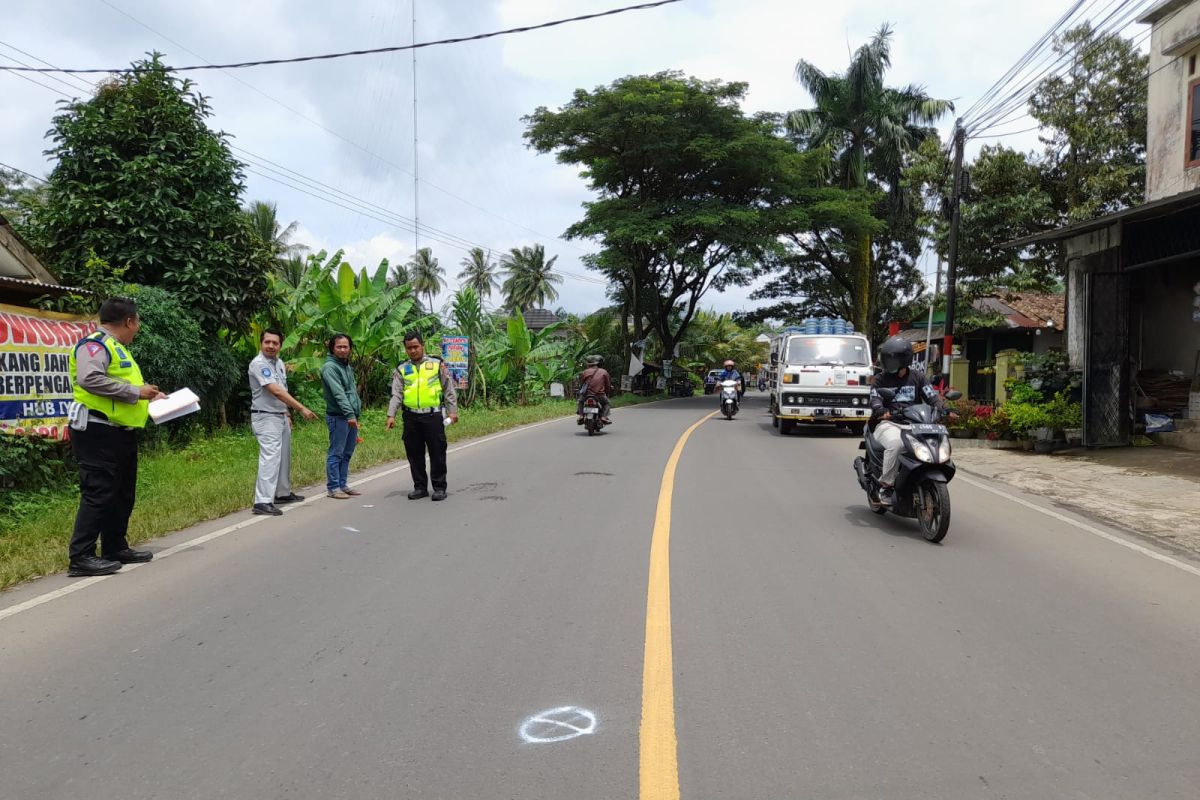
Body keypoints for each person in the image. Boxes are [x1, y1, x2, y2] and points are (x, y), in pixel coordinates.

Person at [66, 297, 165, 577]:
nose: (138, 328)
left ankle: (115, 545)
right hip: (98, 430)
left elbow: (122, 386)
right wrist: (136, 392)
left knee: (122, 491)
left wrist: (151, 395)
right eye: (138, 322)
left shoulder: (117, 348)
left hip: (120, 432)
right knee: (98, 492)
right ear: (129, 321)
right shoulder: (95, 345)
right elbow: (90, 379)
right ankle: (81, 556)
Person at [869, 337, 953, 507]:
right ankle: (886, 486)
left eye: (892, 359)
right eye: (887, 358)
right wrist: (881, 410)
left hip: (915, 423)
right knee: (896, 444)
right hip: (889, 423)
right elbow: (875, 399)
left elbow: (932, 396)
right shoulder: (880, 379)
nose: (888, 362)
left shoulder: (918, 377)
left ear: (904, 360)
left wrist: (944, 409)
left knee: (934, 443)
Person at [249, 328, 317, 516]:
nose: (271, 346)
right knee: (270, 458)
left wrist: (287, 413)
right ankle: (262, 501)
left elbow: (283, 390)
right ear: (261, 344)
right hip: (265, 417)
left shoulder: (278, 363)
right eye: (267, 342)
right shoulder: (258, 364)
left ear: (280, 345)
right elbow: (275, 391)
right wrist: (301, 408)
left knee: (283, 456)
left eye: (275, 343)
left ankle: (281, 493)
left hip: (280, 416)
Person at [386, 332, 459, 501]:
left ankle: (439, 487)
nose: (413, 351)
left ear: (422, 346)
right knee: (414, 453)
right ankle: (420, 487)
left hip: (433, 416)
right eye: (409, 348)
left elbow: (449, 389)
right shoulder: (401, 368)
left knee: (437, 453)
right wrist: (391, 415)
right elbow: (396, 394)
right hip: (411, 417)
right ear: (405, 349)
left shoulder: (437, 364)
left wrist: (452, 412)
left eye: (415, 347)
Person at [321, 333, 363, 500]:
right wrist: (350, 414)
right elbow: (339, 394)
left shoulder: (346, 366)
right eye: (339, 346)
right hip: (339, 417)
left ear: (350, 349)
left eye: (346, 347)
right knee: (336, 452)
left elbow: (351, 392)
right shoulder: (330, 368)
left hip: (350, 416)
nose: (343, 350)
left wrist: (354, 414)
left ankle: (343, 484)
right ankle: (333, 487)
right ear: (332, 348)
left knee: (347, 452)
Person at [577, 355, 613, 423]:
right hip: (600, 395)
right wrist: (607, 393)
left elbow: (581, 385)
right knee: (607, 403)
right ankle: (603, 417)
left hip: (586, 395)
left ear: (588, 365)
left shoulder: (585, 372)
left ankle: (581, 416)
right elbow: (608, 385)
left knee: (580, 402)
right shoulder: (604, 372)